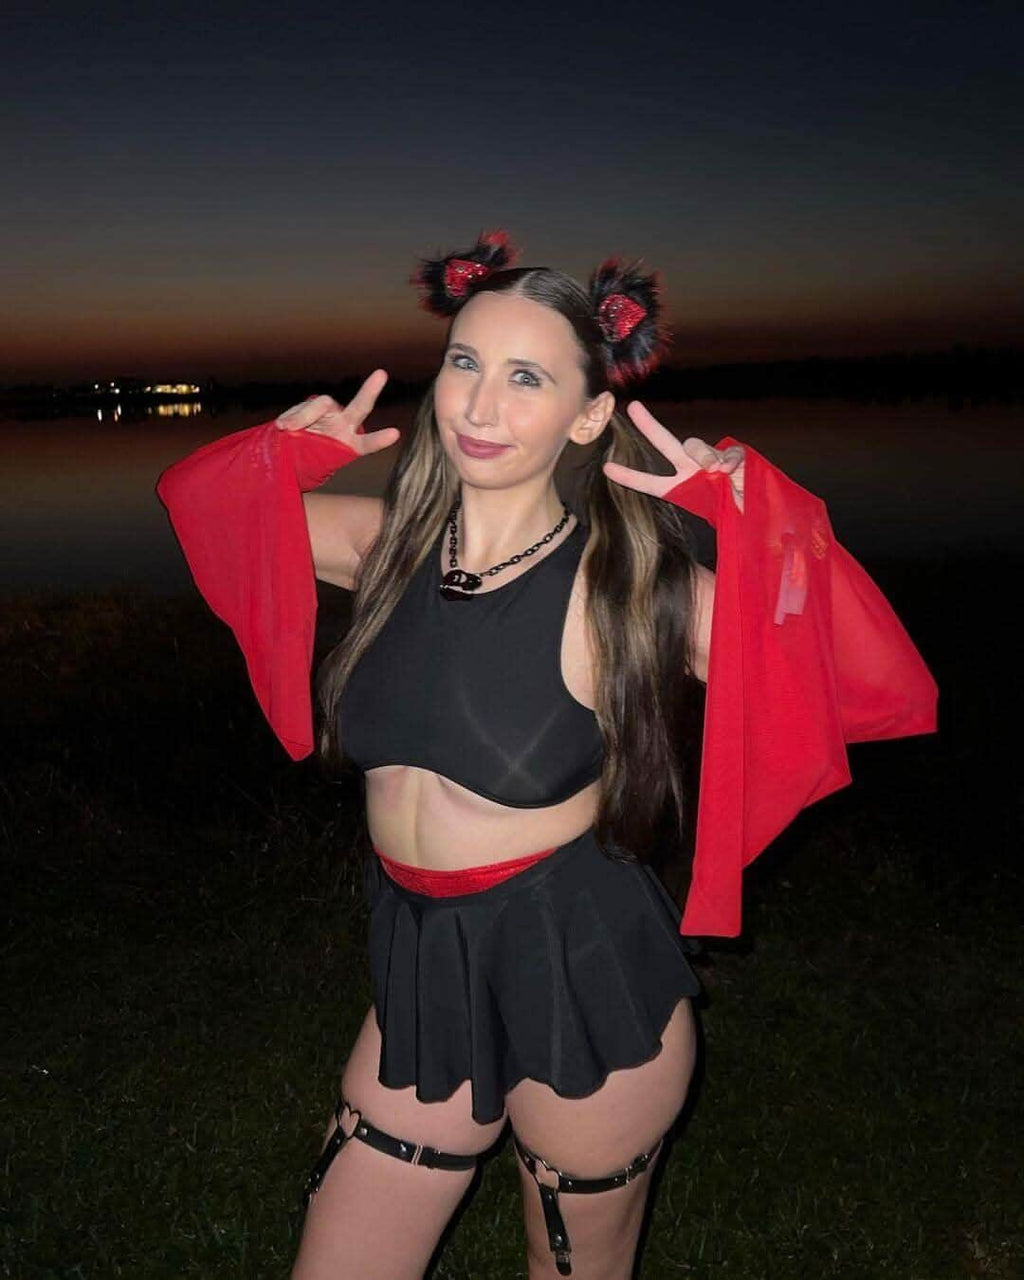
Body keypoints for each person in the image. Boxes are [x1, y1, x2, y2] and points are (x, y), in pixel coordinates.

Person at [155, 231, 938, 1279]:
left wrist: (761, 530)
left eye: (525, 377)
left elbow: (872, 688)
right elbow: (212, 519)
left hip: (580, 967)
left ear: (588, 414)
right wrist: (281, 455)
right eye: (465, 364)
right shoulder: (384, 548)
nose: (479, 406)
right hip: (423, 963)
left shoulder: (626, 583)